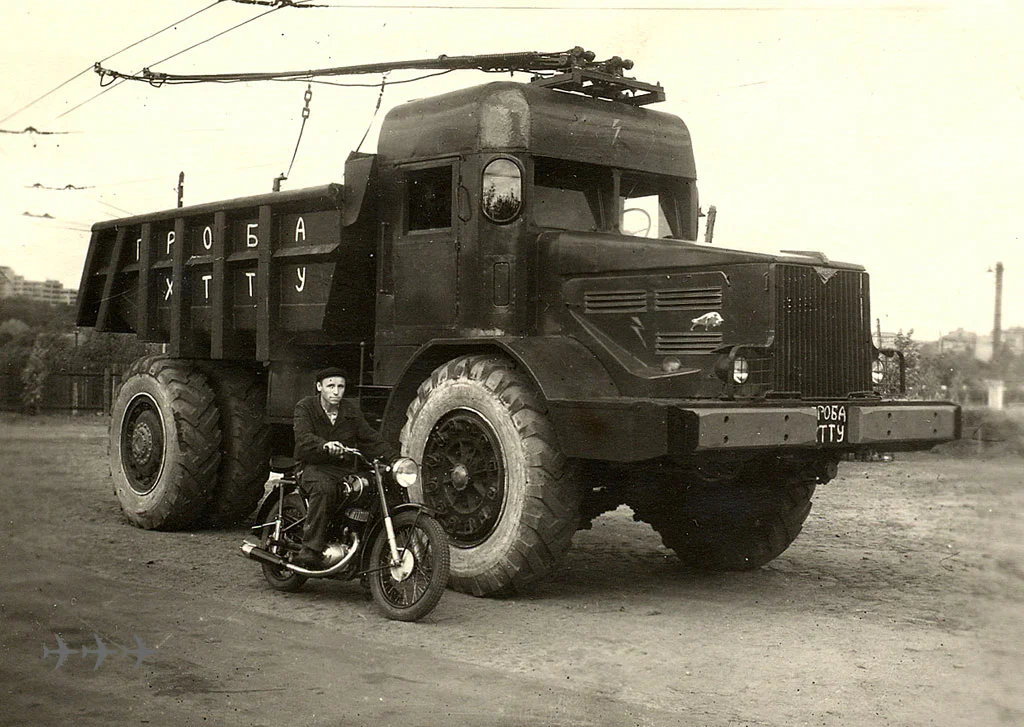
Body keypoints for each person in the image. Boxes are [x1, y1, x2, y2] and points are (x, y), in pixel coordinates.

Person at [292, 366, 394, 569]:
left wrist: (396, 459)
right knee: (324, 489)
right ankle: (310, 549)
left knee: (369, 488)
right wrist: (324, 446)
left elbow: (369, 438)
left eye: (340, 386)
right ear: (319, 386)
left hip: (343, 470)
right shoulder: (306, 407)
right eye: (331, 386)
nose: (336, 391)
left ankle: (364, 554)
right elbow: (303, 438)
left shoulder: (350, 411)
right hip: (312, 466)